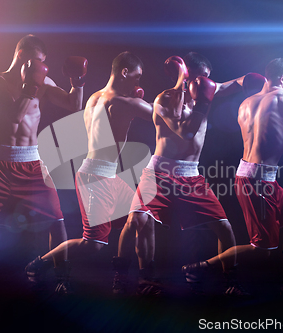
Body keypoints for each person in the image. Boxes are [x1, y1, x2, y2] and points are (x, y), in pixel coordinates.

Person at [182, 58, 283, 296]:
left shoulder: (246, 103)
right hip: (257, 182)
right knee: (263, 248)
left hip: (257, 177)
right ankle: (201, 266)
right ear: (282, 78)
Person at [114, 53, 267, 295]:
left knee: (225, 227)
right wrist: (197, 98)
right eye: (200, 78)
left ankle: (231, 282)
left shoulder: (207, 91)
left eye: (207, 79)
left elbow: (234, 83)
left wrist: (254, 81)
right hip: (160, 171)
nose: (206, 83)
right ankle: (125, 280)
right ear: (187, 77)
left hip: (190, 175)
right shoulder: (164, 98)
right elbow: (183, 132)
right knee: (136, 220)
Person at [0, 34, 86, 295]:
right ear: (20, 57)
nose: (38, 67)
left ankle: (61, 276)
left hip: (32, 162)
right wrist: (31, 84)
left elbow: (75, 105)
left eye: (41, 63)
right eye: (34, 62)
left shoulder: (43, 82)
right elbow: (15, 117)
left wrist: (78, 81)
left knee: (57, 220)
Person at [25, 51, 153, 293]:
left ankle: (128, 278)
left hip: (106, 174)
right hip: (96, 177)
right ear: (125, 72)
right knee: (93, 244)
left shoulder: (94, 98)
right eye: (137, 77)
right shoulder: (123, 102)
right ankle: (38, 264)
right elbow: (165, 118)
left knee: (142, 218)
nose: (138, 84)